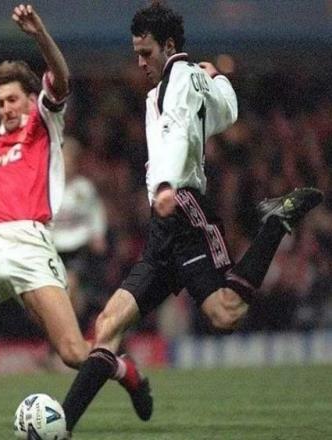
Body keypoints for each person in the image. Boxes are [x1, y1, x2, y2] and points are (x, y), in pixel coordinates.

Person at [61, 2, 323, 434]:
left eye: (146, 52)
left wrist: (165, 184)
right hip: (163, 225)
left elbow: (178, 131)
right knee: (107, 325)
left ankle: (274, 224)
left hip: (182, 208)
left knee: (226, 313)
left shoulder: (177, 81)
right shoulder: (190, 79)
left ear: (169, 46)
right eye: (136, 53)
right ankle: (62, 425)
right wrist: (218, 78)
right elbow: (228, 114)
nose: (140, 62)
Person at [0, 4, 150, 430]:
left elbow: (61, 77)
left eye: (13, 99)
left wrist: (38, 32)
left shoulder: (42, 126)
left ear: (29, 99)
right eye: (0, 102)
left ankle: (125, 370)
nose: (6, 108)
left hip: (32, 248)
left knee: (74, 353)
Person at [50, 136, 108, 327]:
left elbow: (96, 213)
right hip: (54, 248)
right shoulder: (48, 188)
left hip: (78, 246)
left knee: (71, 286)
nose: (66, 164)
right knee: (62, 296)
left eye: (70, 159)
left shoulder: (84, 188)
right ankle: (71, 328)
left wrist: (98, 235)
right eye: (63, 158)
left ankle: (70, 330)